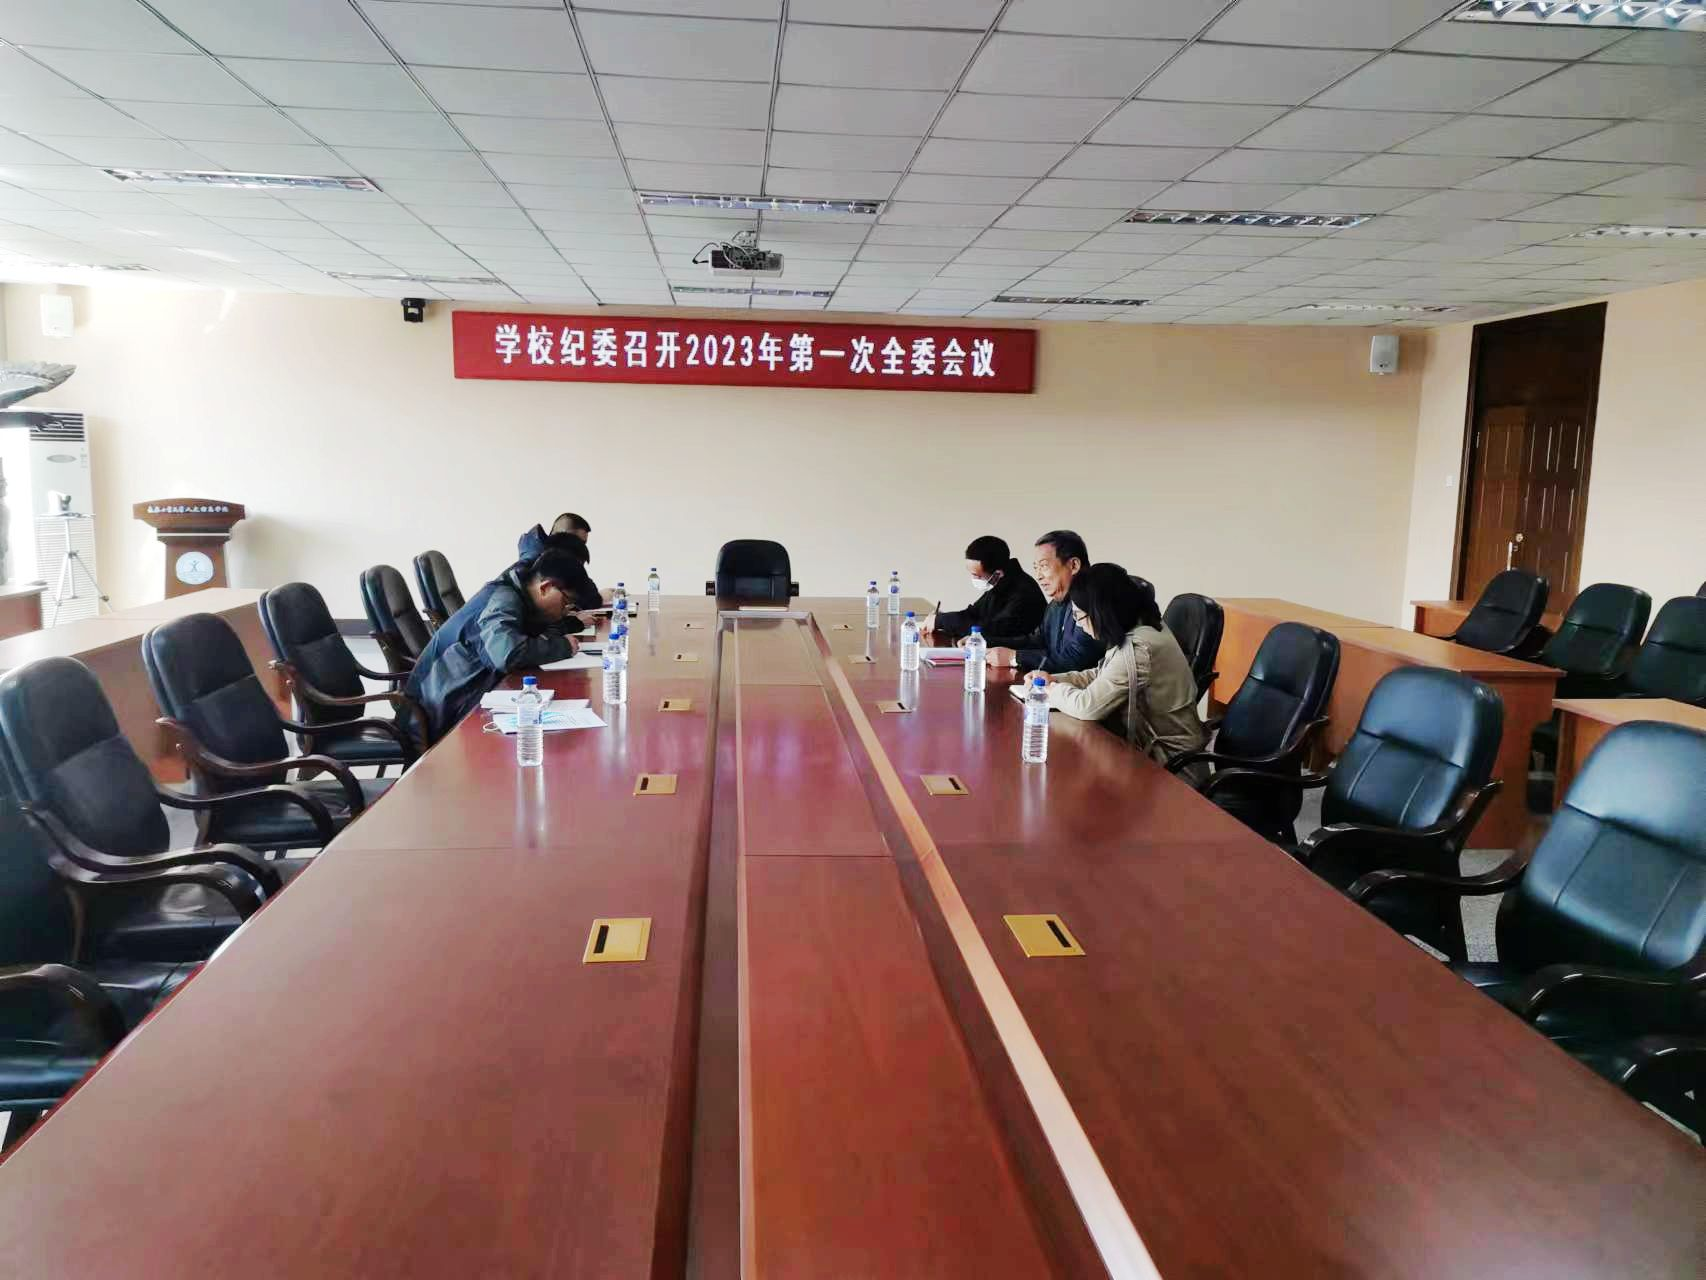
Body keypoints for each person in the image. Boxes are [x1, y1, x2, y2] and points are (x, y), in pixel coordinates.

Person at [1029, 563, 1208, 773]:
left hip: (1172, 771)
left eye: (1079, 616)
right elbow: (1102, 675)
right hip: (1148, 755)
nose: (1078, 624)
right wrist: (1055, 679)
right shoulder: (1141, 628)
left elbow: (1087, 706)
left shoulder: (1137, 649)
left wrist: (1050, 690)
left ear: (1101, 612)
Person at [404, 546, 587, 744]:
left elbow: (533, 635)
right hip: (440, 714)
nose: (565, 611)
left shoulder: (520, 597)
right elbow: (507, 655)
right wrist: (562, 647)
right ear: (545, 588)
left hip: (465, 701)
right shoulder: (503, 599)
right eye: (566, 602)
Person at [985, 530, 1103, 674]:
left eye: (1044, 566)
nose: (1038, 576)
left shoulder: (1093, 601)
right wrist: (985, 642)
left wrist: (1014, 658)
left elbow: (1076, 661)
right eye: (1036, 568)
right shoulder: (1055, 604)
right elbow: (1036, 641)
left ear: (1074, 565)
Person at [921, 535, 1047, 644]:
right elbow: (973, 614)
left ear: (997, 574)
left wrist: (943, 621)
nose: (973, 579)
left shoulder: (1023, 593)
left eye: (977, 575)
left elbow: (992, 630)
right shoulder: (1000, 583)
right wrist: (941, 619)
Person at [515, 517, 602, 611]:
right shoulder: (535, 564)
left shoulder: (557, 559)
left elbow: (589, 595)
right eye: (577, 540)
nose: (580, 545)